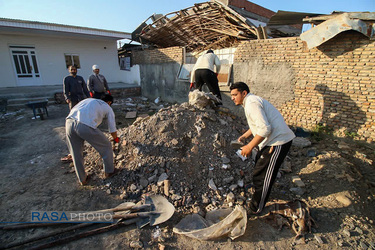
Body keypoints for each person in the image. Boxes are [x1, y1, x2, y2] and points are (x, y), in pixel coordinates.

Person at [230, 82, 295, 214]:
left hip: (277, 142)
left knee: (264, 176)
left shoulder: (251, 103)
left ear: (244, 93)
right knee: (259, 168)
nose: (232, 98)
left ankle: (256, 207)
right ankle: (260, 195)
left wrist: (249, 146)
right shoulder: (251, 102)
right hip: (271, 141)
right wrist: (245, 135)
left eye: (235, 94)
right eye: (231, 95)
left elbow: (265, 129)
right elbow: (258, 124)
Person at [65, 94, 120, 185]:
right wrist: (116, 139)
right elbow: (112, 129)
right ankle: (109, 171)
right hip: (84, 124)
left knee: (76, 153)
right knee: (106, 146)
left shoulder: (88, 100)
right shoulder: (107, 107)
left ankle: (82, 179)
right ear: (109, 102)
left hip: (69, 123)